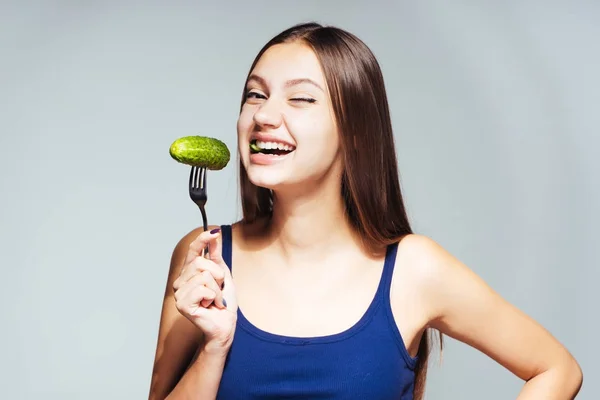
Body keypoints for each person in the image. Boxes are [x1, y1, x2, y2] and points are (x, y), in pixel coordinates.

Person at [149, 22, 583, 400]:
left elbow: (557, 370)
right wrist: (215, 347)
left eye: (300, 99)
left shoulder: (414, 268)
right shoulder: (206, 255)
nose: (264, 114)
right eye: (255, 95)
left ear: (355, 131)